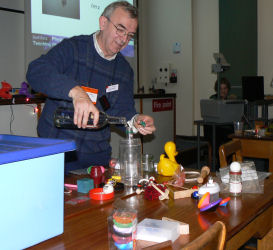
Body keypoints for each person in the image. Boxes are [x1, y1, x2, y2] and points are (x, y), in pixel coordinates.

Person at [26, 1, 155, 173]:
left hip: (96, 158)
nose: (124, 39)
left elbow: (122, 110)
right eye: (120, 29)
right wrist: (76, 92)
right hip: (58, 153)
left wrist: (136, 119)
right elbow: (36, 71)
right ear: (103, 22)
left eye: (130, 35)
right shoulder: (73, 49)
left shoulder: (124, 71)